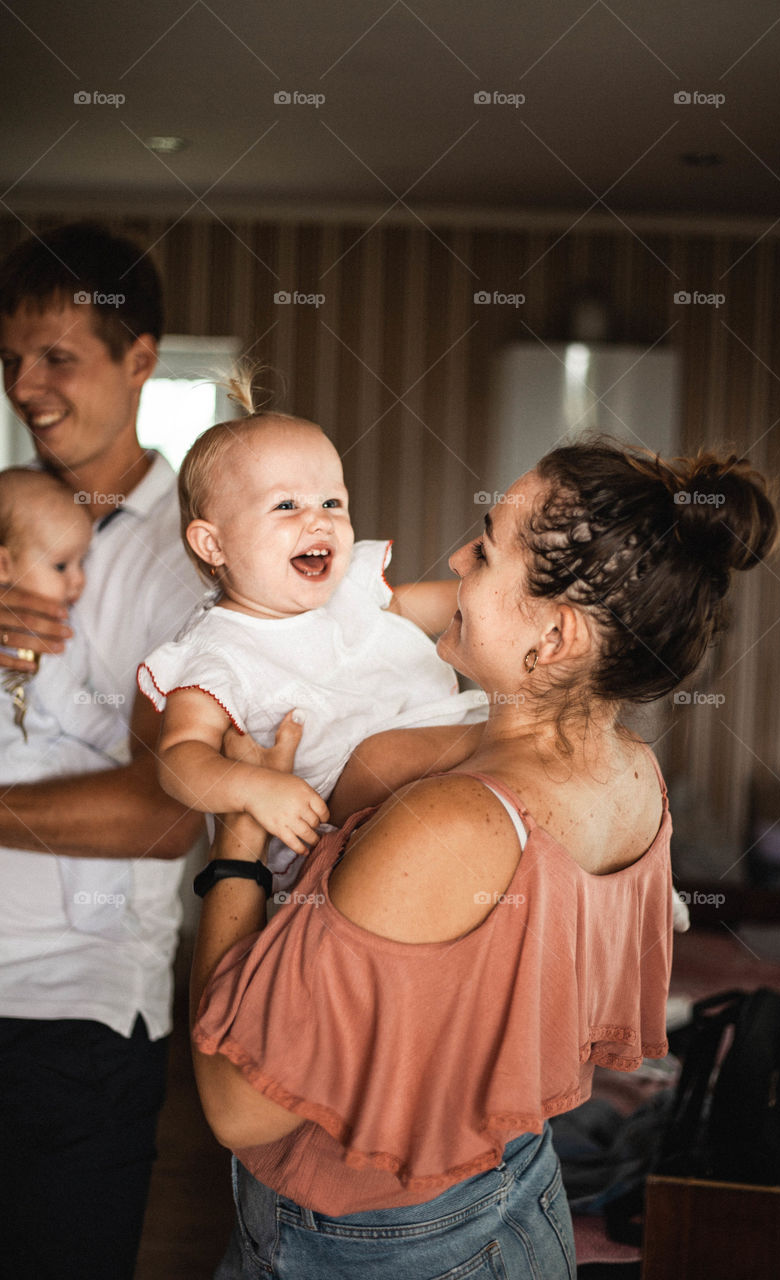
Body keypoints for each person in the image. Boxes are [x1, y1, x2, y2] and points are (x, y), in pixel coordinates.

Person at [189, 441, 779, 1279]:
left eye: (487, 547)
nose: (457, 559)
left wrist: (236, 846)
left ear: (555, 633)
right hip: (517, 1190)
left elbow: (236, 1108)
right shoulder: (630, 770)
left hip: (378, 1243)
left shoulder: (452, 822)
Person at [0, 222, 204, 1280]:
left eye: (57, 357)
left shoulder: (190, 561)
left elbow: (164, 811)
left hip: (70, 1017)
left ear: (140, 360)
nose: (24, 387)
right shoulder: (6, 518)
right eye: (10, 358)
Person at [137, 379, 487, 878]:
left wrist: (497, 596)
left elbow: (410, 607)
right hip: (331, 821)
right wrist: (254, 788)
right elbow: (179, 756)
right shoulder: (218, 650)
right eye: (286, 506)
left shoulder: (347, 590)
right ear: (213, 545)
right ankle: (526, 738)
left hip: (429, 777)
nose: (319, 522)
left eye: (332, 503)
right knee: (434, 747)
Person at [0, 466, 135, 933]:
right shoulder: (42, 629)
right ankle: (95, 909)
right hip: (26, 759)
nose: (78, 581)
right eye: (61, 566)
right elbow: (71, 706)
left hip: (17, 754)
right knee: (94, 777)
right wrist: (120, 745)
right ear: (4, 565)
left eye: (82, 563)